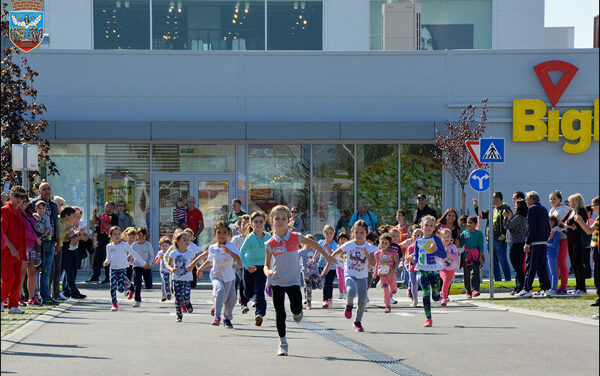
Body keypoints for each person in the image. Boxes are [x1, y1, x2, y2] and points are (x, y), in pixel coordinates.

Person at [264, 205, 335, 356]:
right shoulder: (270, 244)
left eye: (284, 218)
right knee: (280, 313)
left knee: (296, 309)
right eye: (277, 218)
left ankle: (297, 312)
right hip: (277, 281)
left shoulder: (295, 237)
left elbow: (315, 244)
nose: (280, 221)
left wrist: (327, 256)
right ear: (271, 221)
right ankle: (283, 343)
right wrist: (267, 271)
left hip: (293, 281)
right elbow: (266, 264)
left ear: (288, 220)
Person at [327, 220, 376, 332]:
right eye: (356, 232)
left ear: (366, 234)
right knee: (351, 291)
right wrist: (330, 260)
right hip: (350, 274)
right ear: (352, 232)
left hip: (362, 277)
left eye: (362, 233)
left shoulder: (368, 247)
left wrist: (367, 255)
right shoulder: (349, 244)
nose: (359, 235)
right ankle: (348, 305)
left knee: (362, 301)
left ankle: (357, 321)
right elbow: (336, 252)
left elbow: (373, 263)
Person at [198, 221, 241, 328]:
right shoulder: (212, 247)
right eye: (219, 232)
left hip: (229, 278)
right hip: (216, 276)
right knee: (220, 290)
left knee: (231, 301)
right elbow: (209, 261)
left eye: (224, 232)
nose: (221, 235)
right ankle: (217, 317)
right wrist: (200, 269)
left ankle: (227, 318)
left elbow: (239, 259)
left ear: (228, 234)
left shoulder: (231, 246)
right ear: (214, 233)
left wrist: (229, 252)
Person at [408, 215, 447, 327]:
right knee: (425, 294)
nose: (428, 227)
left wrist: (436, 250)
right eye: (426, 225)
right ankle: (428, 318)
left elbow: (443, 254)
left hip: (434, 270)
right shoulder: (418, 241)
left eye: (431, 225)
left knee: (434, 296)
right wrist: (411, 259)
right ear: (421, 226)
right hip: (422, 270)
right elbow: (416, 257)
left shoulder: (436, 239)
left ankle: (437, 295)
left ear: (434, 227)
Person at [518, 191, 551, 298]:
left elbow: (530, 227)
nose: (526, 201)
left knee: (530, 266)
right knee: (542, 266)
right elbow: (547, 226)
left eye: (527, 199)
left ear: (532, 200)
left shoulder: (532, 209)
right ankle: (546, 288)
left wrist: (527, 242)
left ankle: (527, 289)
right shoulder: (544, 209)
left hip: (534, 242)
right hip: (543, 241)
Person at [104, 226, 145, 311]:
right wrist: (106, 261)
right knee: (112, 287)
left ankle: (129, 284)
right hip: (113, 269)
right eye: (115, 234)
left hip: (122, 269)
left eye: (119, 234)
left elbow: (134, 254)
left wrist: (143, 263)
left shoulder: (124, 245)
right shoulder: (109, 246)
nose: (117, 236)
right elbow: (108, 257)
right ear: (110, 235)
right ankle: (114, 303)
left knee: (121, 289)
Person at [239, 212, 270, 325]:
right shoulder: (250, 237)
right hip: (250, 268)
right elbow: (241, 253)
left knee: (259, 291)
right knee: (248, 292)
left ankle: (259, 314)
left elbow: (274, 251)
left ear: (264, 223)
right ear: (251, 224)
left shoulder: (268, 237)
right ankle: (243, 297)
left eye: (261, 222)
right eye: (256, 222)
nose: (258, 224)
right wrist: (247, 267)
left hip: (262, 268)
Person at [31, 182, 60, 303]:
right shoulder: (33, 204)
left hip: (50, 242)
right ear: (39, 191)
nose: (47, 191)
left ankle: (46, 296)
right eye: (44, 189)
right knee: (35, 270)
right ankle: (33, 296)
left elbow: (55, 223)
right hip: (37, 242)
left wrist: (57, 240)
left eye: (49, 189)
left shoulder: (53, 205)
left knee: (47, 270)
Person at [474, 192, 513, 282]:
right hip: (490, 238)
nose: (491, 200)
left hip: (499, 239)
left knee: (503, 261)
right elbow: (482, 215)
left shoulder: (505, 208)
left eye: (493, 198)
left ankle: (508, 280)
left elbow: (508, 222)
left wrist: (504, 235)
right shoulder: (492, 209)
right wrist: (476, 206)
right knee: (493, 262)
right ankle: (497, 280)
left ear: (498, 198)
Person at [166, 231, 203, 322]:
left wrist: (199, 269)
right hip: (176, 279)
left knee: (186, 297)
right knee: (178, 299)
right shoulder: (173, 253)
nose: (187, 242)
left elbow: (196, 263)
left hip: (187, 279)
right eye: (184, 240)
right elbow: (168, 265)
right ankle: (179, 315)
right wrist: (171, 269)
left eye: (188, 240)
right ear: (178, 242)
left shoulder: (190, 253)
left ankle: (187, 302)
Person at [1, 187, 26, 314]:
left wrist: (21, 252)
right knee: (8, 278)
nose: (20, 199)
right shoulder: (5, 211)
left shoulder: (18, 212)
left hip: (18, 253)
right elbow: (2, 233)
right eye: (17, 195)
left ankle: (13, 306)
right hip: (6, 253)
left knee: (17, 280)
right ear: (11, 195)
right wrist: (11, 248)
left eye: (22, 197)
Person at [574, 196, 599, 306]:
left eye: (594, 205)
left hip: (597, 246)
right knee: (596, 272)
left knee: (597, 272)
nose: (592, 208)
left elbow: (589, 231)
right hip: (595, 246)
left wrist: (580, 221)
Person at [59, 206, 87, 300]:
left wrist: (82, 236)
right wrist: (79, 237)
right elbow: (69, 240)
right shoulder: (67, 224)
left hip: (75, 249)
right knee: (69, 272)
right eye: (75, 215)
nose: (77, 217)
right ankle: (74, 292)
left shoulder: (80, 223)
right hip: (67, 249)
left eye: (79, 215)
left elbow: (83, 234)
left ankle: (67, 291)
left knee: (74, 271)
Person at [89, 201, 118, 283]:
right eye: (105, 206)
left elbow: (109, 226)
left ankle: (107, 277)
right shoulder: (103, 216)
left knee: (107, 259)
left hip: (108, 241)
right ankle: (95, 276)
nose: (106, 208)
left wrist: (101, 218)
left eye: (108, 206)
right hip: (100, 240)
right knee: (97, 259)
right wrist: (94, 215)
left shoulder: (114, 217)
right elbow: (96, 222)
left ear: (112, 208)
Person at [565, 193, 588, 294]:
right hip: (570, 239)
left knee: (578, 263)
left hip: (578, 240)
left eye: (571, 201)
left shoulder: (581, 211)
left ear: (576, 201)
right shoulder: (571, 211)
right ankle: (577, 286)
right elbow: (563, 222)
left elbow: (575, 224)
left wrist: (569, 225)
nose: (569, 203)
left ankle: (582, 287)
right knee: (574, 263)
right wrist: (569, 226)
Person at [504, 199, 528, 295]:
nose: (514, 208)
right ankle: (519, 286)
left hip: (515, 244)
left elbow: (508, 226)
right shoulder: (525, 217)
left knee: (517, 267)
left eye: (515, 206)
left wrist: (507, 218)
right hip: (521, 243)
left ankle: (520, 286)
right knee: (519, 267)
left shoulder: (518, 217)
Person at [548, 190, 570, 293]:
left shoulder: (563, 209)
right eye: (550, 199)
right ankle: (554, 286)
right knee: (553, 264)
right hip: (552, 239)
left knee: (561, 262)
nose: (552, 200)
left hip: (562, 238)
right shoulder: (551, 210)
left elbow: (563, 225)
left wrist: (553, 230)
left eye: (554, 198)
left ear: (559, 199)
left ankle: (563, 287)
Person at [20, 199, 39, 305]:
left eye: (26, 202)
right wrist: (35, 237)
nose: (24, 204)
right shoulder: (17, 214)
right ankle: (19, 297)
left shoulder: (29, 214)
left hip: (32, 246)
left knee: (32, 272)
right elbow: (23, 231)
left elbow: (34, 228)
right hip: (24, 245)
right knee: (21, 273)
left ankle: (31, 297)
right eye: (22, 202)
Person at [460, 216, 485, 299]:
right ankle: (468, 291)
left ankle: (475, 289)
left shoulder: (479, 234)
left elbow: (481, 246)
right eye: (467, 222)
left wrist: (481, 257)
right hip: (466, 255)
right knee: (466, 274)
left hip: (476, 255)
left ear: (475, 224)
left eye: (471, 223)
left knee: (475, 272)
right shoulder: (464, 233)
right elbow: (461, 244)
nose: (468, 224)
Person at [373, 233, 398, 313]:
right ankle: (387, 306)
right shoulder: (377, 254)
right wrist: (375, 272)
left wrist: (393, 270)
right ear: (379, 242)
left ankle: (392, 291)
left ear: (389, 244)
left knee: (393, 289)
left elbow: (396, 262)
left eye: (386, 243)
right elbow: (377, 263)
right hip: (382, 274)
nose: (383, 244)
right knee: (386, 289)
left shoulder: (392, 252)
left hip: (391, 273)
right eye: (382, 242)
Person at [316, 225, 338, 308]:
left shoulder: (334, 244)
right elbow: (317, 250)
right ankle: (325, 300)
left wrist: (327, 247)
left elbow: (333, 254)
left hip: (331, 267)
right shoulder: (321, 242)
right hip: (322, 266)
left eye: (331, 233)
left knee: (329, 283)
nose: (329, 235)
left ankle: (329, 298)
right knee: (325, 282)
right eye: (327, 233)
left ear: (333, 234)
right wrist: (314, 258)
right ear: (324, 234)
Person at [231, 215, 250, 311]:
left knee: (246, 284)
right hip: (238, 265)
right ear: (239, 225)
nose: (246, 226)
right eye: (243, 224)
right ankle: (242, 303)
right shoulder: (236, 239)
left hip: (249, 265)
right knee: (237, 282)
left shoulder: (252, 238)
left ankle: (244, 301)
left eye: (248, 224)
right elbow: (230, 251)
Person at [131, 228, 153, 307]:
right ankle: (137, 300)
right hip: (137, 266)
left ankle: (145, 280)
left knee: (149, 285)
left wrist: (149, 264)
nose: (141, 237)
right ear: (136, 236)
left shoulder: (148, 244)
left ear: (145, 236)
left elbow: (151, 256)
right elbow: (131, 255)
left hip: (146, 266)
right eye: (139, 235)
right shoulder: (134, 245)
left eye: (143, 236)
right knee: (137, 283)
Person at [298, 236, 321, 310]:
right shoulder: (301, 252)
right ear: (304, 243)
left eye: (311, 242)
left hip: (314, 272)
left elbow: (318, 254)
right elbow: (297, 259)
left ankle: (318, 285)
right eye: (307, 242)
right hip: (306, 273)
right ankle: (308, 303)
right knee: (308, 288)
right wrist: (299, 267)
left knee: (320, 284)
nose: (309, 244)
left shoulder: (315, 250)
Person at [439, 228, 459, 306]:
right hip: (442, 268)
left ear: (451, 238)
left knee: (447, 283)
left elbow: (456, 258)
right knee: (446, 280)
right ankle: (444, 298)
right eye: (444, 237)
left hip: (451, 268)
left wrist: (448, 254)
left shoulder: (453, 247)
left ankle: (442, 293)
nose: (446, 239)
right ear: (441, 238)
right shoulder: (440, 247)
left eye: (448, 236)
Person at [404, 228, 423, 307]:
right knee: (413, 284)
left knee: (421, 281)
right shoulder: (411, 247)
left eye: (419, 235)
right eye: (415, 235)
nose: (416, 237)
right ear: (411, 237)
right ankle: (414, 299)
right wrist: (411, 257)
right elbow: (408, 257)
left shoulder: (423, 246)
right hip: (412, 268)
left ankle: (426, 297)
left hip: (421, 267)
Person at [546, 215, 562, 295]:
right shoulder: (548, 232)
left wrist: (546, 244)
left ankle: (553, 288)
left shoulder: (555, 233)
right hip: (547, 254)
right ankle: (550, 287)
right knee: (548, 272)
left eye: (549, 221)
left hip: (552, 254)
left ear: (553, 222)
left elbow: (555, 245)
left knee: (553, 272)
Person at [154, 236, 172, 302]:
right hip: (163, 270)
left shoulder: (170, 253)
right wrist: (154, 264)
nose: (164, 247)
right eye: (163, 246)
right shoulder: (160, 253)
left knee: (166, 283)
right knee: (165, 281)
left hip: (169, 270)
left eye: (166, 246)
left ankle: (166, 294)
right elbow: (158, 260)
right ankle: (166, 294)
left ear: (170, 246)